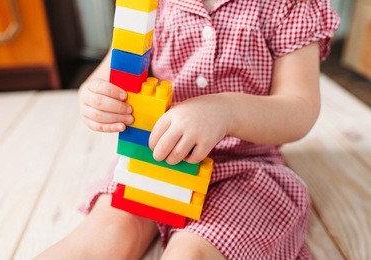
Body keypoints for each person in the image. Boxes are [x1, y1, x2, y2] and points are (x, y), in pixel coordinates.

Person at [37, 0, 340, 259]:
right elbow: (111, 74)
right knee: (103, 235)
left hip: (246, 169)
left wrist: (227, 110)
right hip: (155, 157)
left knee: (192, 252)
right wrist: (95, 97)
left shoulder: (291, 6)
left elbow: (300, 107)